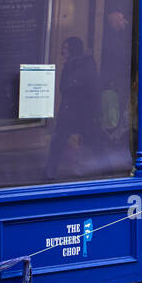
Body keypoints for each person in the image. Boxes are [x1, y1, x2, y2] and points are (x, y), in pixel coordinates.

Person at [44, 36, 102, 180]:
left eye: (65, 49)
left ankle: (49, 174)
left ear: (72, 50)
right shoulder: (84, 64)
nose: (62, 52)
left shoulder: (76, 66)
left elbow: (65, 87)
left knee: (57, 144)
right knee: (94, 144)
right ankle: (108, 171)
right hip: (82, 113)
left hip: (74, 113)